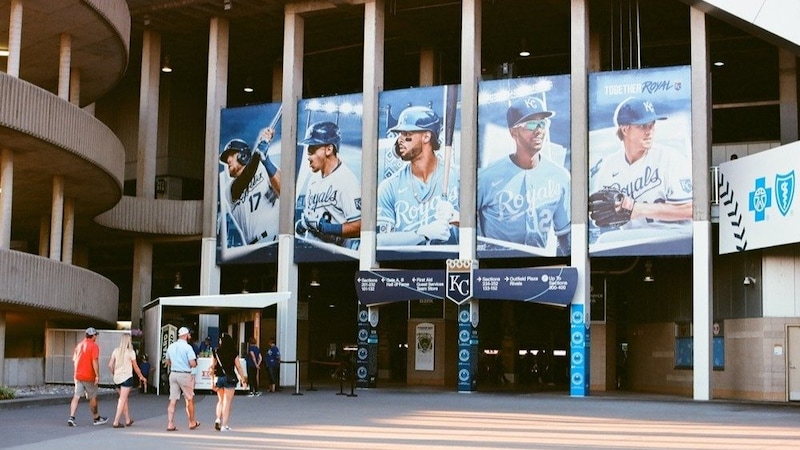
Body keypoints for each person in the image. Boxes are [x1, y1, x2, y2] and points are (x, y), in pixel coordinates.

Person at [477, 96, 571, 256]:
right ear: (513, 132)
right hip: (496, 265)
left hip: (540, 264)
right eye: (531, 124)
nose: (539, 130)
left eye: (542, 123)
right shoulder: (485, 178)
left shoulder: (560, 176)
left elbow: (565, 236)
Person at [589, 97, 692, 232]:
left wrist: (638, 209)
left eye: (652, 124)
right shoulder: (609, 166)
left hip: (672, 237)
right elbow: (600, 217)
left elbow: (691, 209)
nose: (649, 131)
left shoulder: (669, 159)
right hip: (631, 241)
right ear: (625, 130)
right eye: (642, 126)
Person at [376, 106, 459, 246]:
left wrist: (458, 218)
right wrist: (420, 234)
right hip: (406, 260)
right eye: (399, 134)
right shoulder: (389, 186)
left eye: (406, 134)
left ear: (426, 137)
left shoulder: (458, 178)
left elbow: (483, 230)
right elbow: (380, 242)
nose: (399, 140)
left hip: (450, 259)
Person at [295, 121, 361, 249]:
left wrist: (326, 228)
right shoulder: (313, 180)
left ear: (329, 149)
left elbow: (359, 226)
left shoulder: (347, 181)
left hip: (335, 256)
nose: (308, 156)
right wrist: (303, 224)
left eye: (312, 149)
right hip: (310, 252)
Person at [219, 126, 281, 248]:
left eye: (231, 154)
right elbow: (247, 175)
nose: (228, 160)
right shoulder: (230, 189)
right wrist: (259, 150)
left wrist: (266, 160)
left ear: (243, 155)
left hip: (277, 237)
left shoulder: (264, 168)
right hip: (256, 245)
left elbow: (286, 191)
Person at [67, 327, 108, 427]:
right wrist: (97, 375)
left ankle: (71, 417)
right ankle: (96, 418)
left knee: (76, 396)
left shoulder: (79, 345)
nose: (96, 337)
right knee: (92, 397)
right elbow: (94, 361)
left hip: (78, 375)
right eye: (95, 335)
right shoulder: (94, 346)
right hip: (89, 376)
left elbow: (74, 360)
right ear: (93, 336)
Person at [164, 326, 200, 432]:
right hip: (184, 375)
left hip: (173, 374)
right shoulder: (188, 348)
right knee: (189, 399)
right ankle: (192, 422)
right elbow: (192, 363)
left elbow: (167, 361)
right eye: (189, 334)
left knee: (172, 400)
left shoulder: (171, 346)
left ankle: (170, 423)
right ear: (186, 335)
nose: (190, 336)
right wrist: (193, 364)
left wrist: (176, 363)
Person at [107, 333, 147, 428]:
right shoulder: (131, 352)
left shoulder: (116, 351)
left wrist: (114, 373)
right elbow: (136, 367)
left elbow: (110, 365)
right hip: (126, 378)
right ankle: (116, 421)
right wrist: (141, 377)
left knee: (124, 399)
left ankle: (128, 419)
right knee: (122, 399)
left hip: (117, 379)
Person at [213, 334, 247, 431]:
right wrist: (243, 379)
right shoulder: (233, 352)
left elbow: (212, 366)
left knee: (220, 400)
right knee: (227, 402)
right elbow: (238, 366)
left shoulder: (216, 351)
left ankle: (218, 419)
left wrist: (212, 381)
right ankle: (224, 425)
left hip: (219, 378)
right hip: (230, 378)